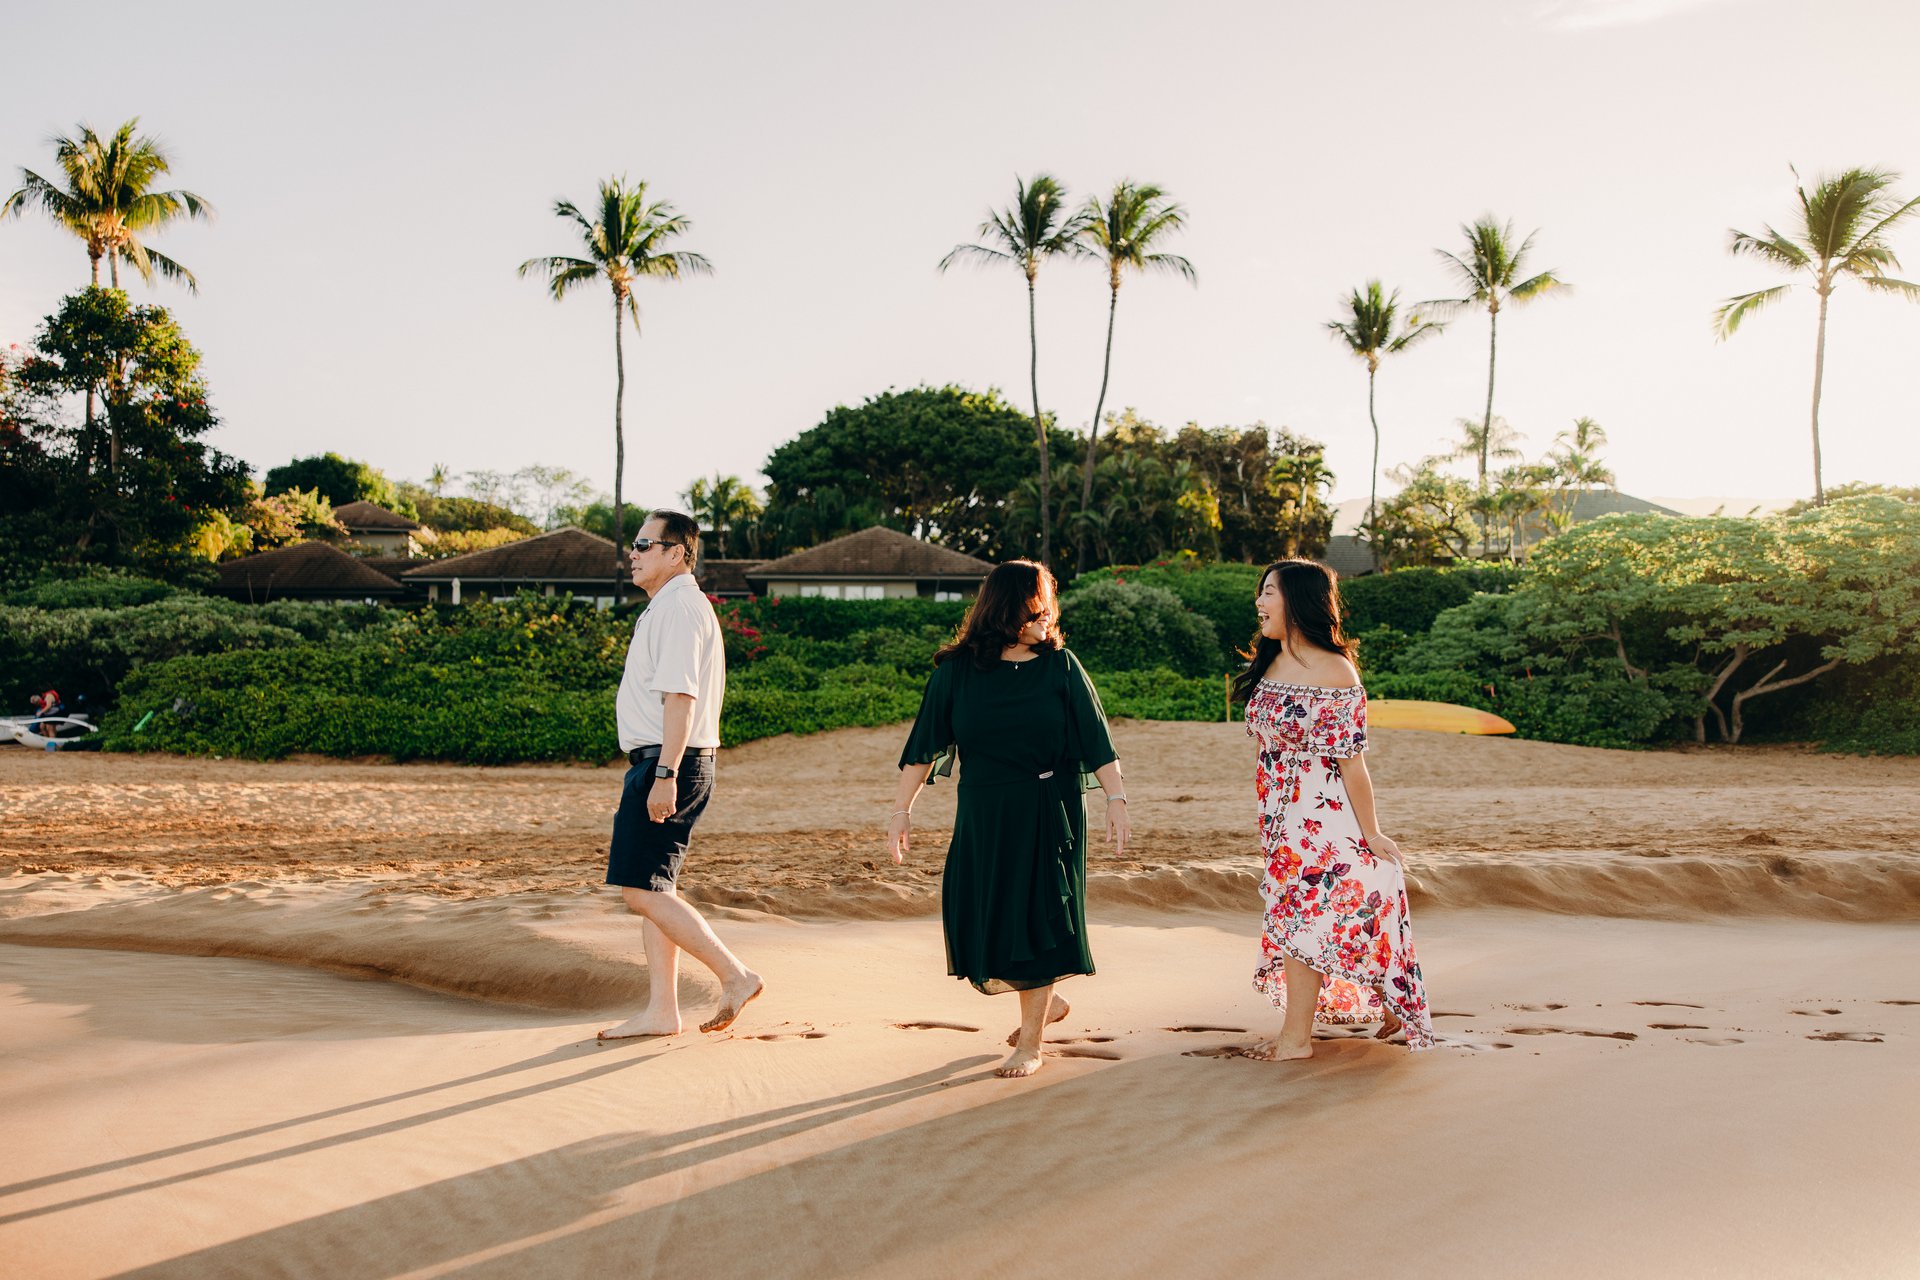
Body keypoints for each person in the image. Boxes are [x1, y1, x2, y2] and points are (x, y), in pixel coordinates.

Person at [887, 560, 1130, 1078]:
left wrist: (1115, 798)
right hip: (985, 813)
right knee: (986, 916)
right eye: (1038, 598)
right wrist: (900, 811)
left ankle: (1032, 1043)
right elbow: (922, 747)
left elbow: (1096, 739)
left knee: (1038, 914)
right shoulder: (956, 671)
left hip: (1049, 807)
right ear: (1010, 603)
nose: (1047, 608)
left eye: (1048, 599)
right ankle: (1050, 999)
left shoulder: (1062, 666)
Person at [1236, 559, 1433, 1058]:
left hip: (1320, 818)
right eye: (1261, 592)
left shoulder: (1337, 671)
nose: (1260, 602)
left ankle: (1296, 1038)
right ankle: (1386, 1000)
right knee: (1311, 915)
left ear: (1299, 601)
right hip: (1280, 817)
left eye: (1270, 593)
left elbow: (1353, 765)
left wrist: (1372, 834)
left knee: (1302, 918)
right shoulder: (1272, 660)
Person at [597, 510, 763, 1041]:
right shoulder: (669, 606)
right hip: (666, 759)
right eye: (634, 545)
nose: (633, 553)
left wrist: (665, 772)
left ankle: (735, 976)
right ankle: (661, 1011)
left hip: (672, 760)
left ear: (677, 553)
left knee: (638, 890)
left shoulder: (679, 608)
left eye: (644, 545)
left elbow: (680, 698)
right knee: (654, 886)